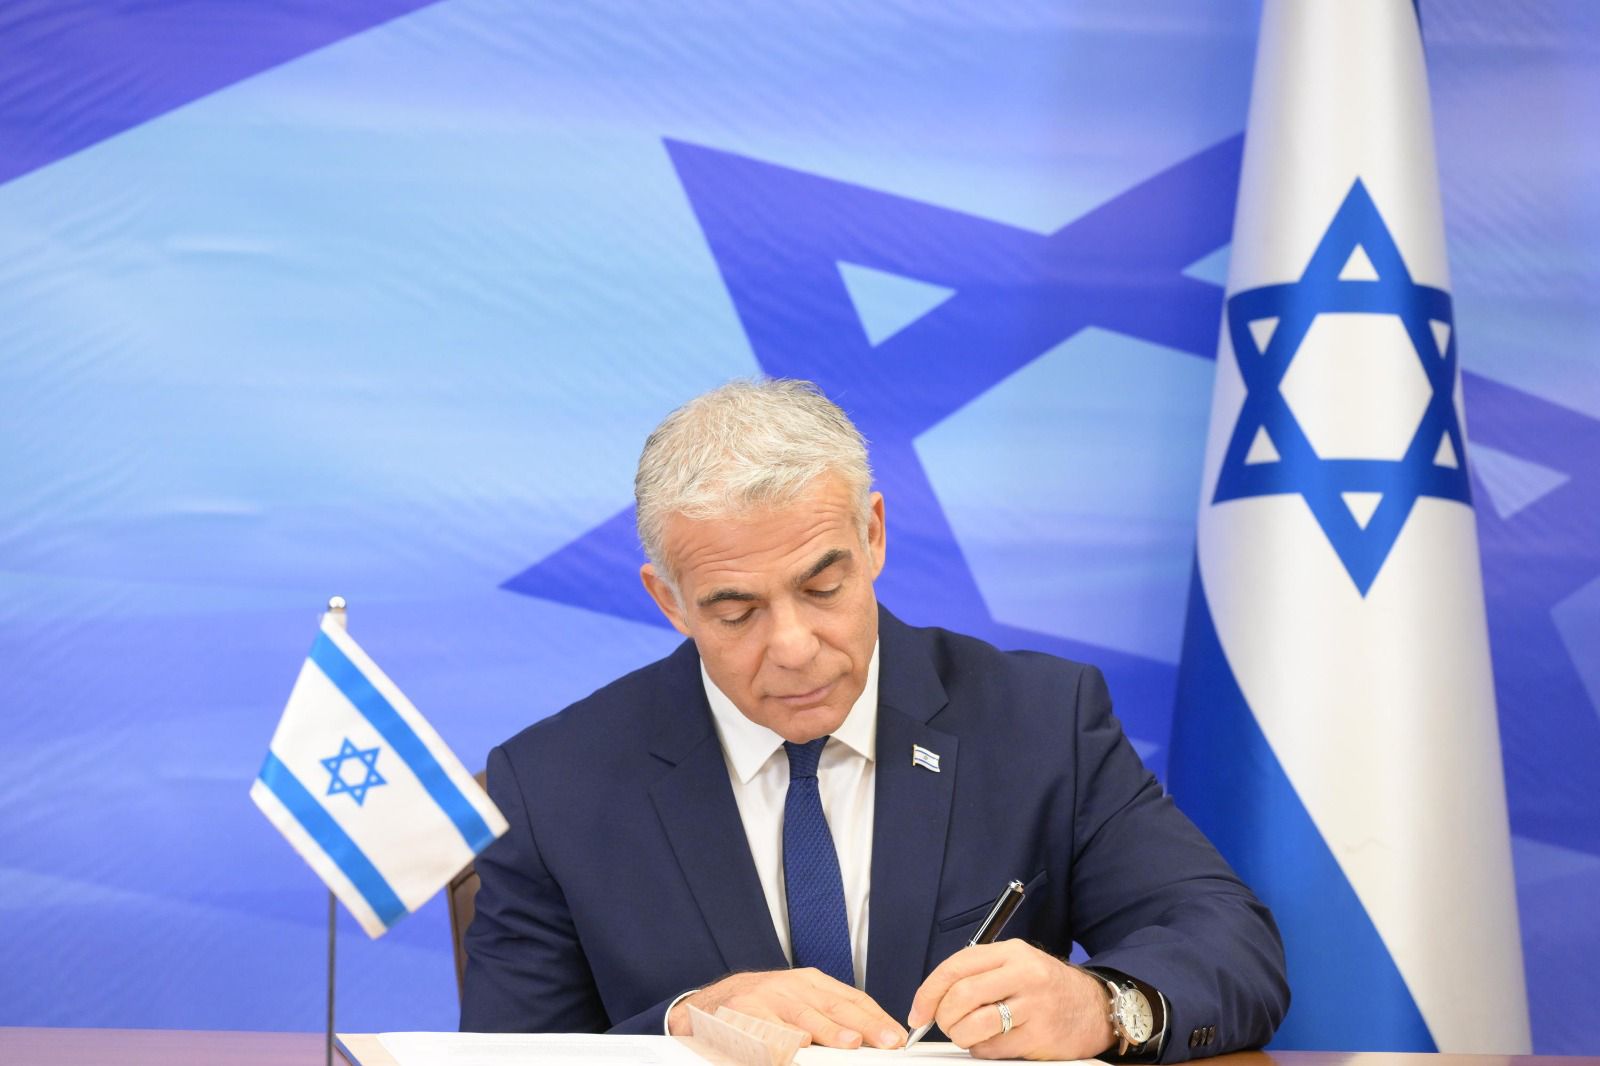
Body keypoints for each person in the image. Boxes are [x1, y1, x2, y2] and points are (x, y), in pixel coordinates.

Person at [462, 379, 1288, 1060]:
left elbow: (1229, 944)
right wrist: (682, 1023)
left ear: (875, 537)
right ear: (668, 601)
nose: (792, 646)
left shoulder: (1041, 723)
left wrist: (1102, 1006)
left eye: (823, 587)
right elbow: (504, 1053)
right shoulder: (552, 786)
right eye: (736, 610)